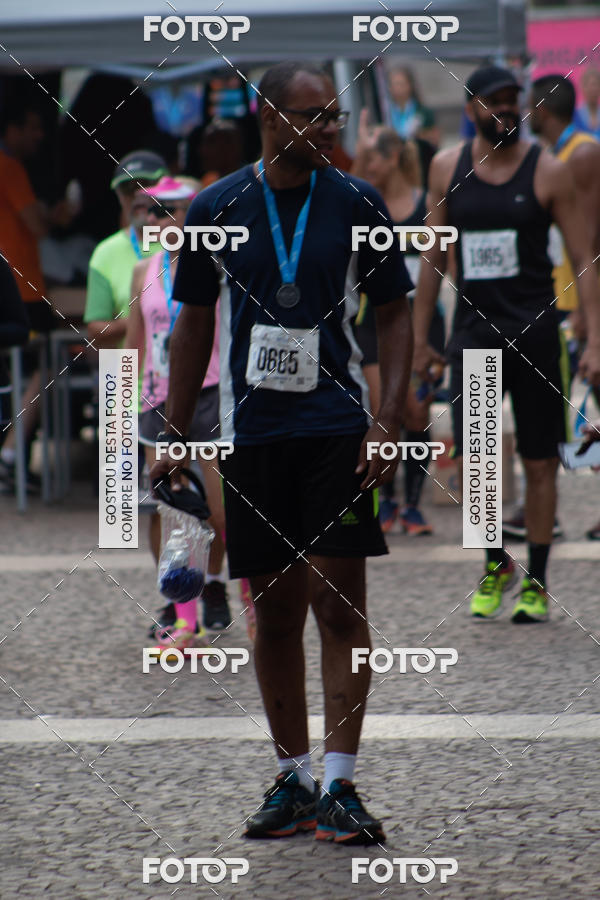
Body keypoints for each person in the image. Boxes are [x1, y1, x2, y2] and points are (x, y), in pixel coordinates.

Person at [151, 61, 413, 844]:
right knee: (273, 614)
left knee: (338, 602)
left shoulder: (356, 201)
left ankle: (341, 784)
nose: (330, 128)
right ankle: (292, 779)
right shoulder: (215, 207)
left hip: (337, 428)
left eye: (333, 115)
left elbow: (395, 311)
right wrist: (173, 429)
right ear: (269, 117)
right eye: (314, 116)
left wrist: (389, 419)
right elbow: (194, 322)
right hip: (253, 433)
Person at [413, 64, 600, 623]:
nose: (506, 111)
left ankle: (537, 580)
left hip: (539, 334)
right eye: (493, 102)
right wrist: (423, 339)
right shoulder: (447, 168)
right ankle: (495, 565)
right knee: (478, 464)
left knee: (541, 462)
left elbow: (585, 258)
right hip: (474, 335)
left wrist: (594, 339)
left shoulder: (549, 171)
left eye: (512, 101)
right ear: (471, 107)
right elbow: (431, 260)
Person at [125, 176, 229, 644]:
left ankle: (212, 586)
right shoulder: (142, 271)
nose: (160, 219)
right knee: (166, 509)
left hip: (208, 394)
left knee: (217, 509)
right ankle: (174, 596)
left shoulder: (217, 264)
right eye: (153, 210)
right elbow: (135, 341)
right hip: (156, 398)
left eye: (172, 209)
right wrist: (125, 407)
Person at [503, 74, 600, 542]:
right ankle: (545, 507)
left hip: (578, 297)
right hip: (560, 296)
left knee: (586, 405)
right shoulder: (550, 156)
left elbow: (590, 239)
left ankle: (548, 509)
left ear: (541, 109)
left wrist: (584, 310)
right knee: (579, 410)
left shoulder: (579, 153)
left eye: (525, 105)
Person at [352, 121, 445, 534]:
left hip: (420, 319)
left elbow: (444, 268)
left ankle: (411, 504)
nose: (365, 165)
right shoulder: (362, 206)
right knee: (380, 404)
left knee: (414, 412)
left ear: (392, 159)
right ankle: (385, 498)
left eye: (371, 157)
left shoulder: (426, 204)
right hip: (374, 320)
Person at [0, 101, 76, 490]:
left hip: (17, 285)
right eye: (31, 127)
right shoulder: (9, 166)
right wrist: (56, 214)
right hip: (21, 289)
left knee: (26, 368)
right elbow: (36, 225)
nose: (39, 136)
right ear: (10, 130)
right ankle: (12, 451)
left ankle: (13, 453)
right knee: (47, 363)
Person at [84, 150, 167, 350]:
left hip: (183, 374)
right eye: (127, 189)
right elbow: (96, 331)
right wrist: (147, 315)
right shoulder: (105, 252)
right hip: (127, 371)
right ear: (119, 197)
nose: (137, 195)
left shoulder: (187, 241)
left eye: (145, 185)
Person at [574, 68, 600, 140]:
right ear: (582, 88)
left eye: (596, 85)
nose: (593, 89)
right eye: (590, 85)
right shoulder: (574, 116)